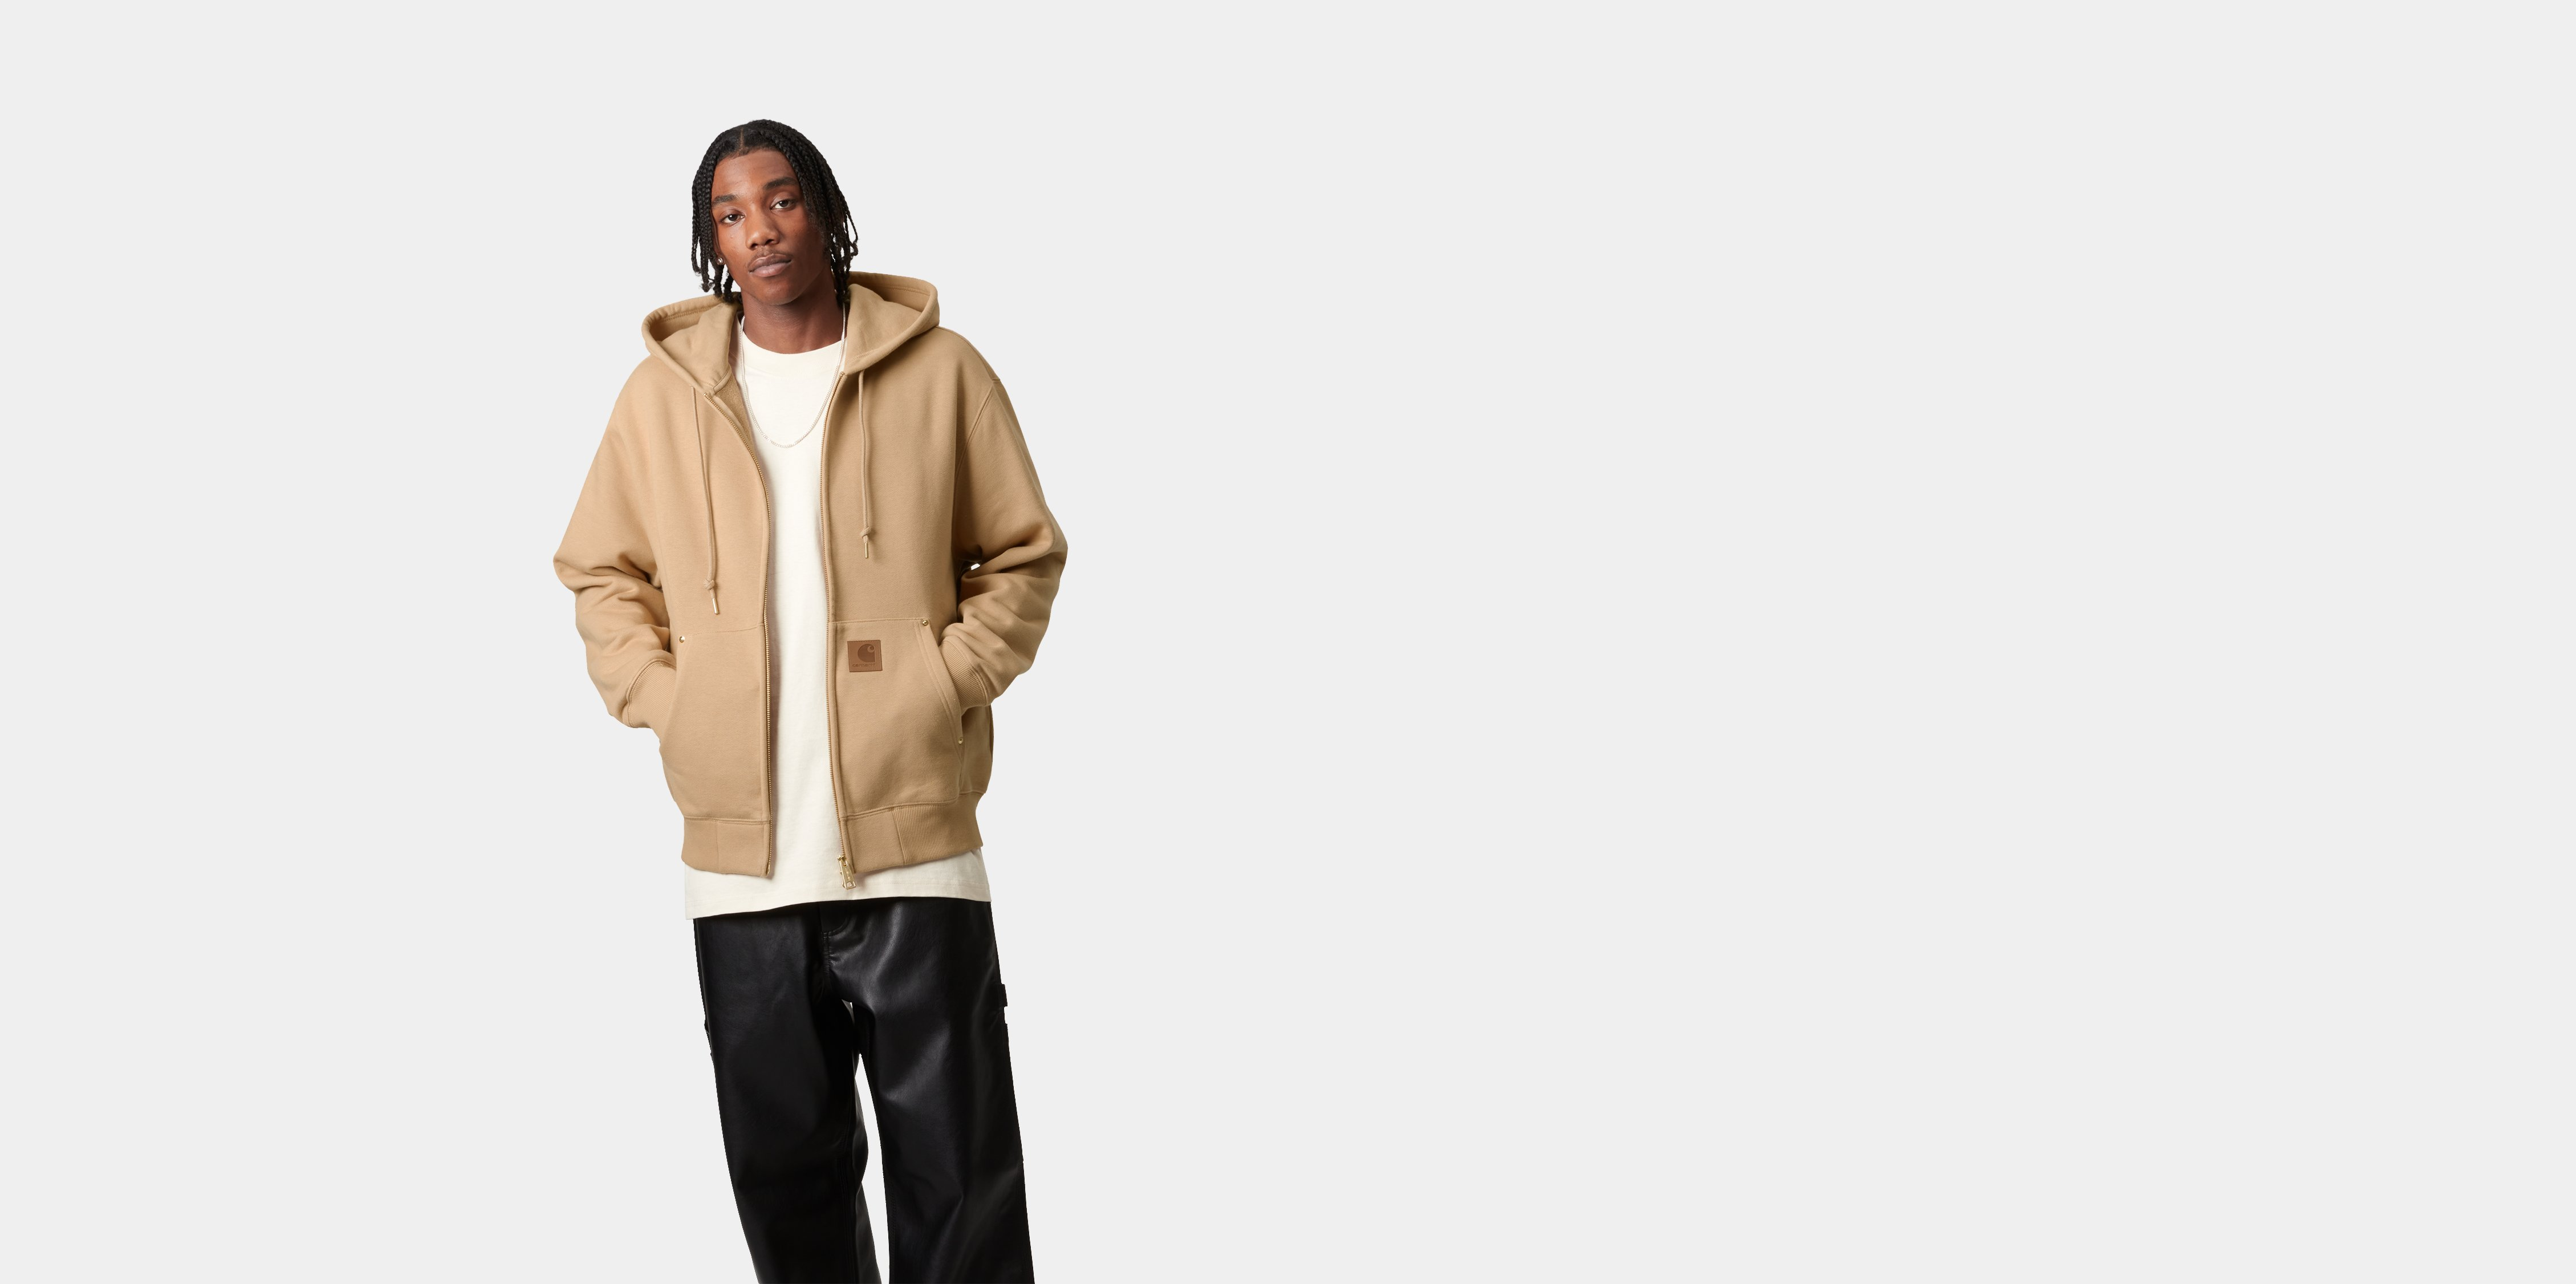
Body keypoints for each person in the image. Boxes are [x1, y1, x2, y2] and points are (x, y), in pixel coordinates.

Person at [553, 118, 1064, 1283]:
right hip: (742, 864)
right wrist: (668, 698)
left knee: (959, 1180)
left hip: (915, 846)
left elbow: (1023, 553)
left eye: (780, 201)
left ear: (824, 209)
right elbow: (599, 569)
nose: (761, 231)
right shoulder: (662, 396)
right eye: (731, 214)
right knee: (787, 1187)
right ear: (712, 242)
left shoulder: (944, 372)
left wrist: (941, 682)